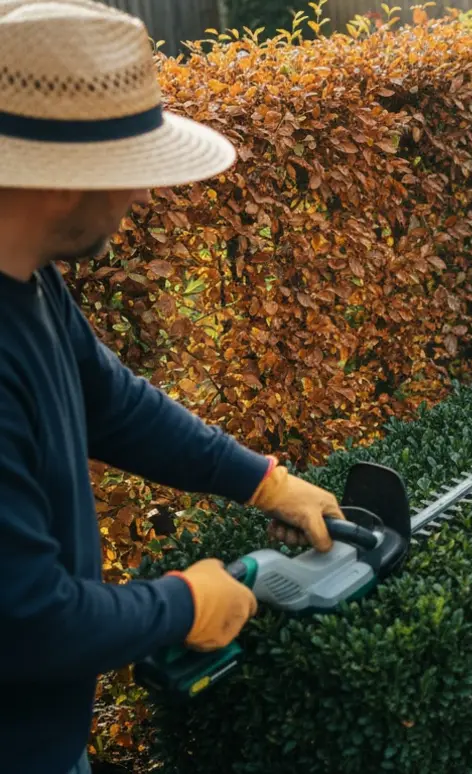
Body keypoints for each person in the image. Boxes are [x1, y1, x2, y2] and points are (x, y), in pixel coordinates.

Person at [0, 1, 349, 771]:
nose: (141, 197)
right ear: (63, 184)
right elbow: (28, 620)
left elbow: (111, 403)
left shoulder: (30, 280)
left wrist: (264, 481)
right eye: (132, 172)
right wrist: (187, 603)